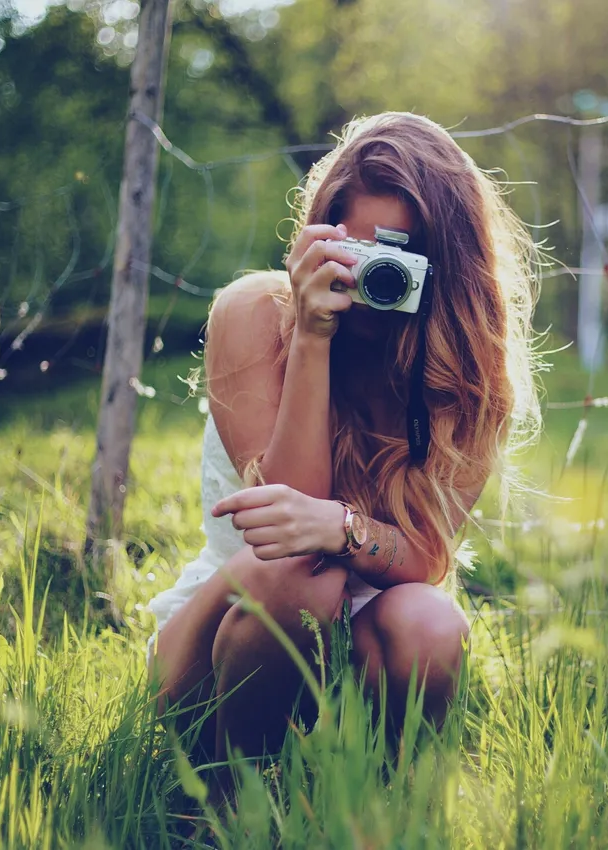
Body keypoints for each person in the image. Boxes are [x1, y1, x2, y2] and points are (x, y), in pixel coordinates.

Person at [144, 111, 543, 792]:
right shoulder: (255, 314)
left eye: (400, 260)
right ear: (319, 240)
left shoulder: (470, 368)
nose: (374, 282)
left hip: (368, 643)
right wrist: (311, 336)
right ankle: (228, 805)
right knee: (305, 577)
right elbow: (285, 532)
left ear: (448, 267)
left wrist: (343, 528)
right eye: (358, 255)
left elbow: (427, 557)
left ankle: (372, 808)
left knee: (432, 619)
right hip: (232, 639)